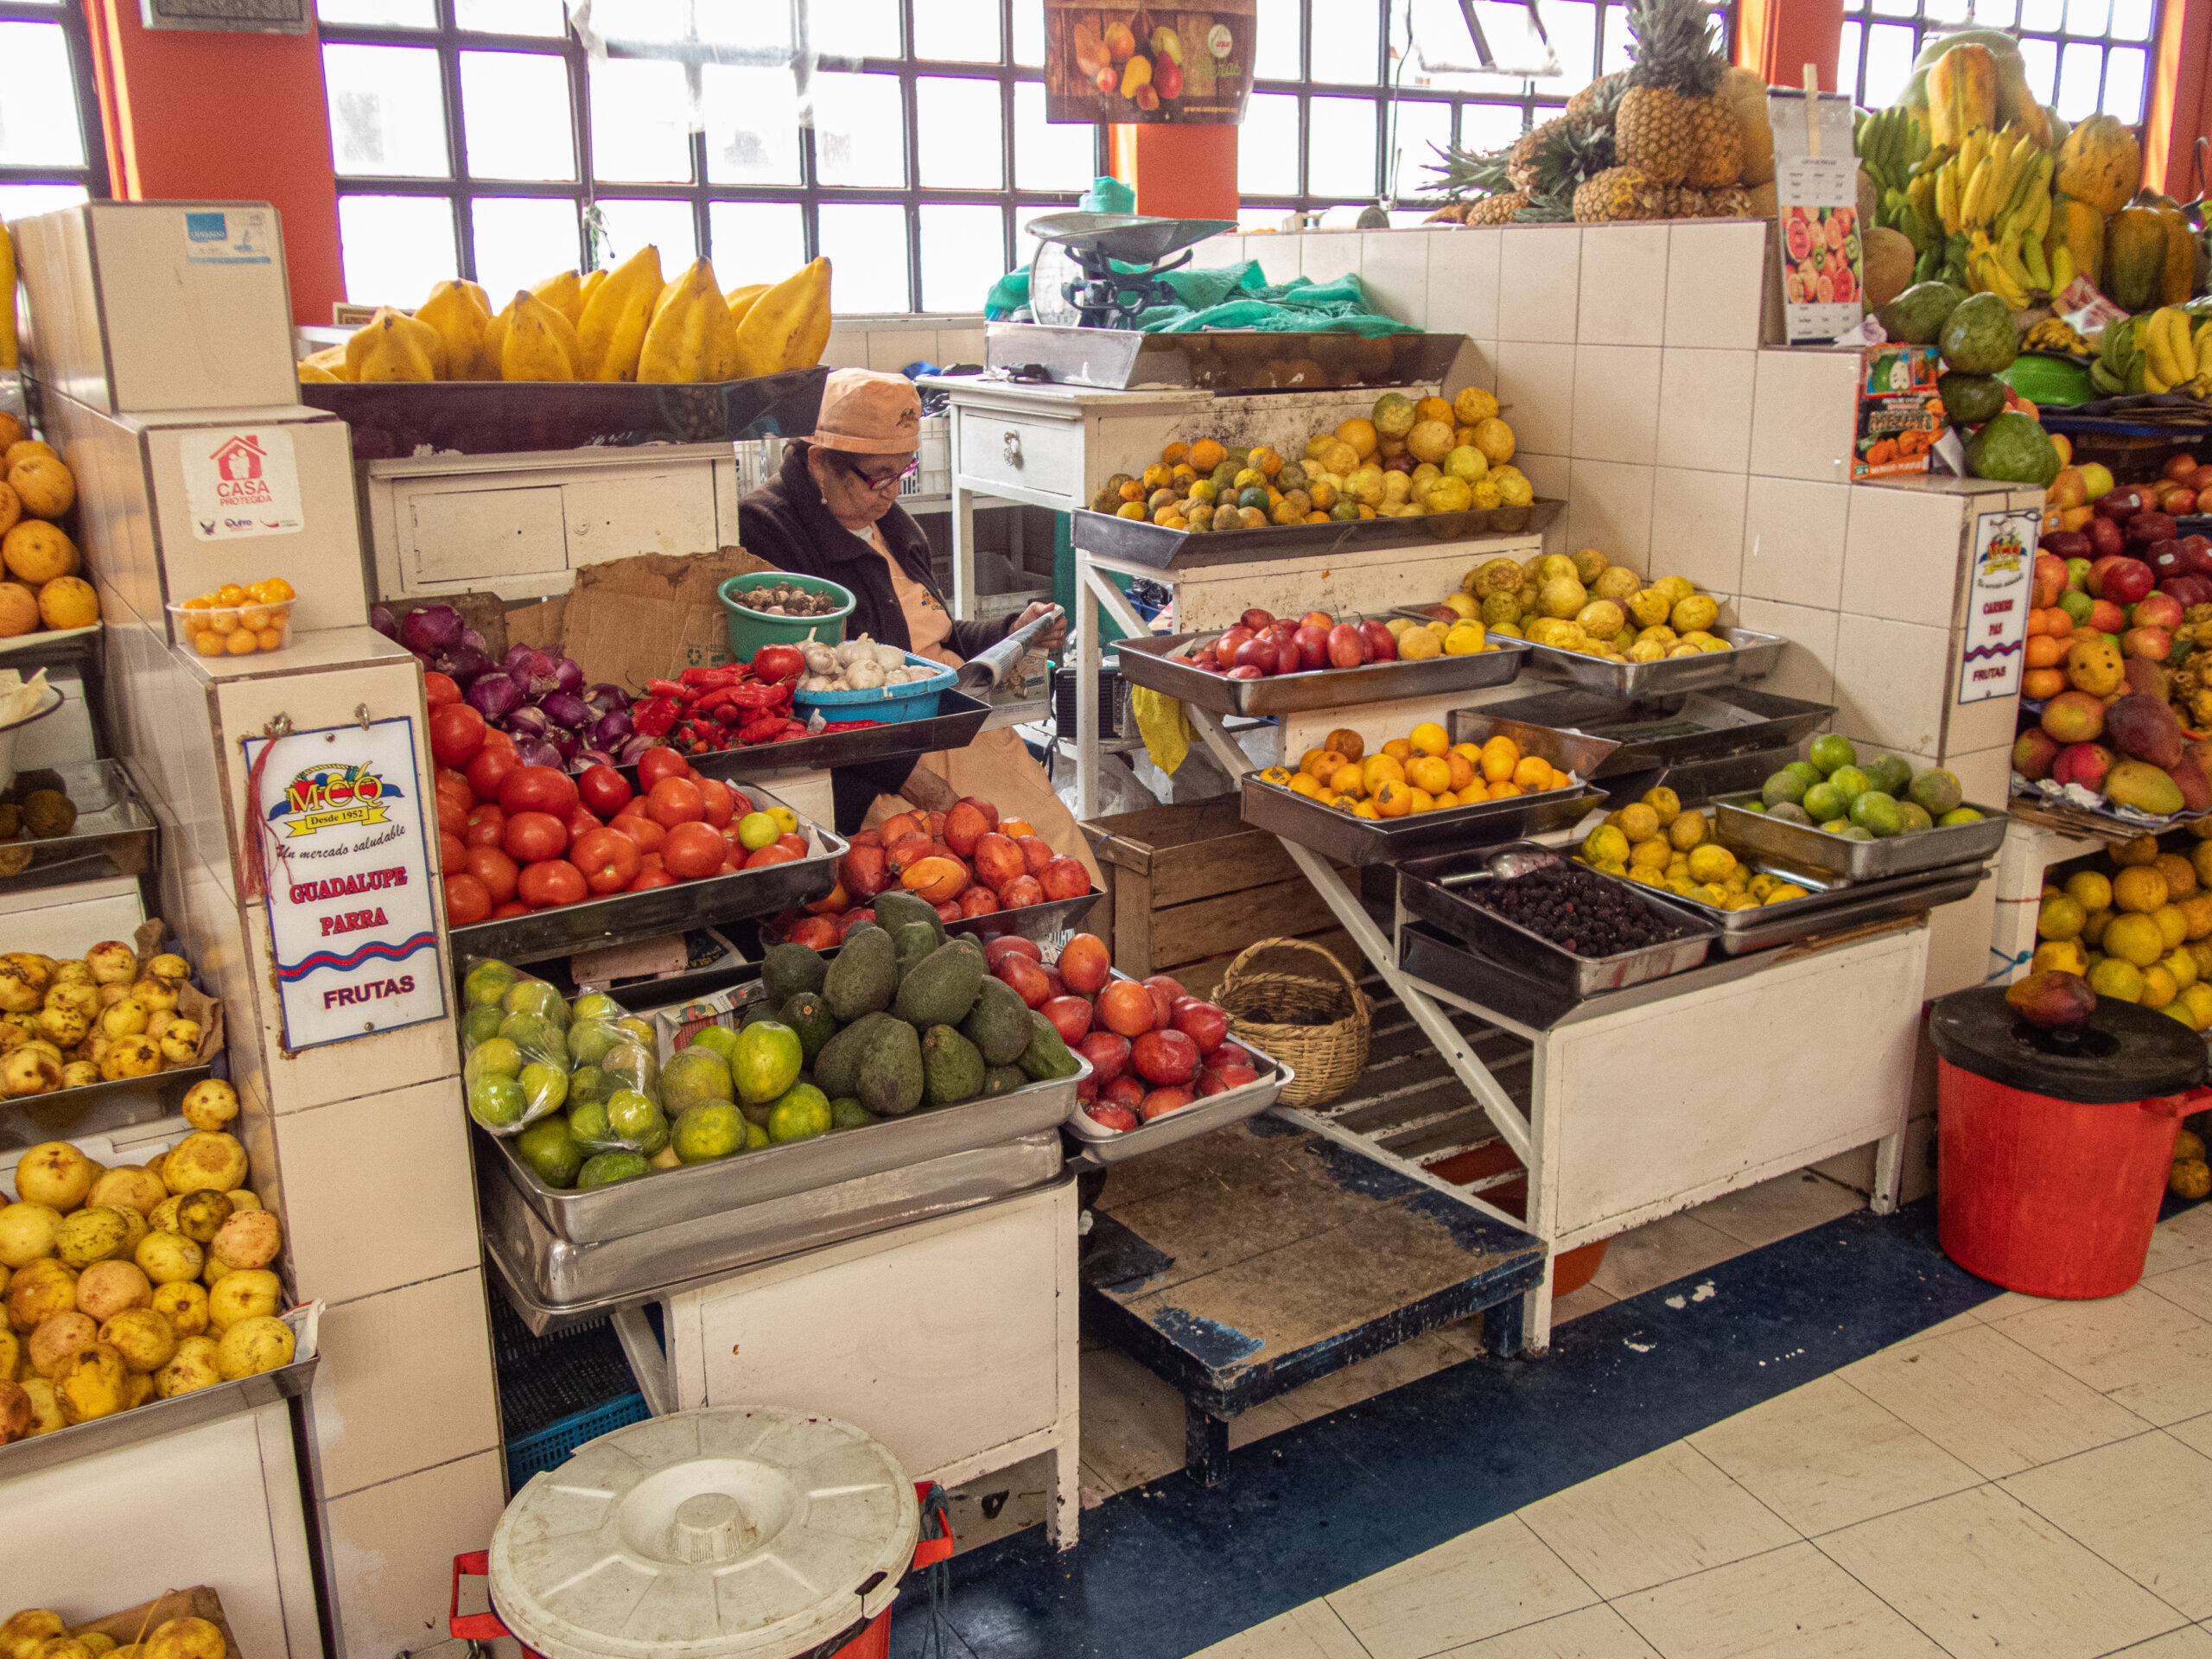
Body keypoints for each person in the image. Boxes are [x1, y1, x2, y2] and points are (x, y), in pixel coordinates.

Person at [738, 369, 1101, 879]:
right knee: (959, 878)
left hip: (956, 721)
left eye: (902, 471)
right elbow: (801, 692)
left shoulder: (892, 524)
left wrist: (1009, 631)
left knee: (1054, 852)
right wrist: (907, 774)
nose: (891, 492)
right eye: (879, 475)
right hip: (881, 754)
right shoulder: (767, 532)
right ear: (820, 462)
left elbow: (936, 635)